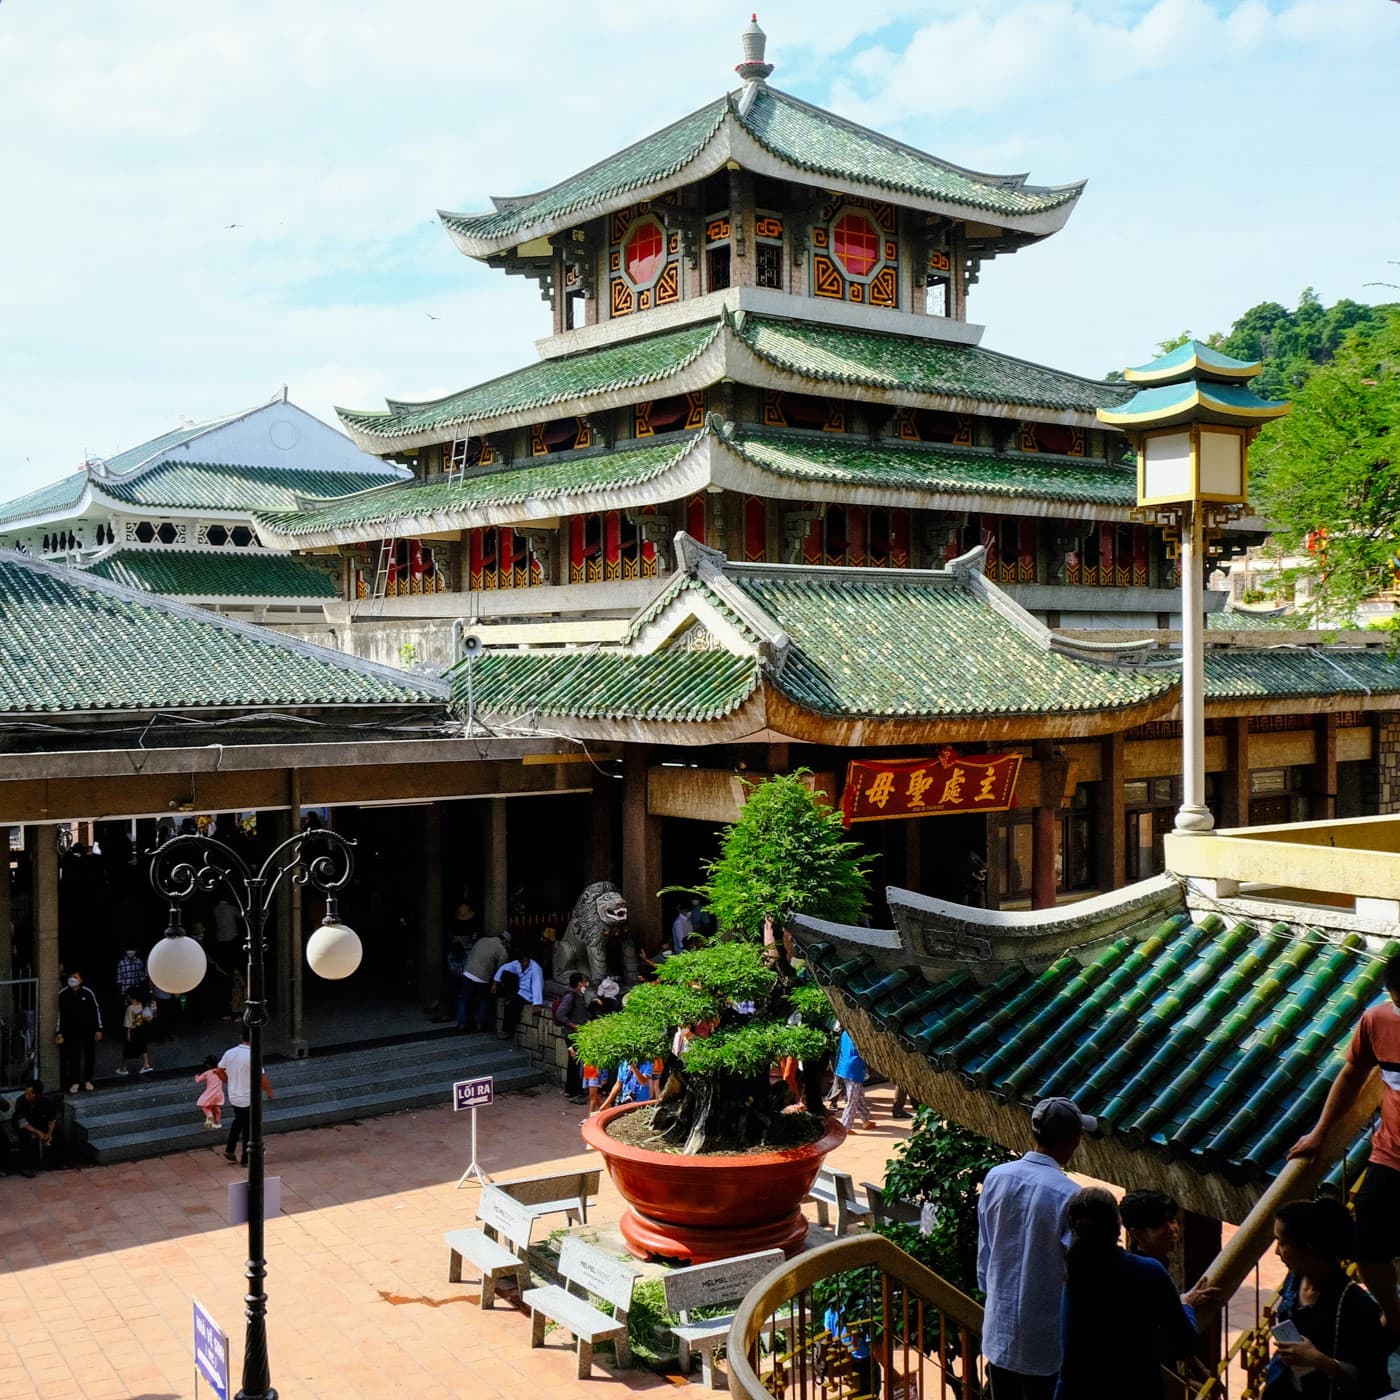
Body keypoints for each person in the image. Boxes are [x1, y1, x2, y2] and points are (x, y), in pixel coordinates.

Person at [1288, 949, 1400, 1333]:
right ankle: (1394, 1315)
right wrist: (1320, 1133)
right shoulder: (1378, 1019)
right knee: (1368, 1246)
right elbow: (1353, 1074)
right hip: (1390, 1154)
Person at [977, 1096, 1095, 1399]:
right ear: (1073, 1140)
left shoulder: (996, 1177)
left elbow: (985, 1249)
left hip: (998, 1329)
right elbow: (1081, 1272)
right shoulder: (1068, 1195)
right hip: (1044, 1339)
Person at [1055, 1187, 1200, 1399]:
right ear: (1119, 1226)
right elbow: (1185, 1342)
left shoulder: (1075, 1273)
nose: (1172, 1229)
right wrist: (1186, 1307)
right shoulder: (1146, 1271)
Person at [1263, 1198, 1391, 1399]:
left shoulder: (1357, 1306)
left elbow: (1372, 1381)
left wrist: (1320, 1361)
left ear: (1309, 1248)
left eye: (1283, 1242)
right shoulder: (1294, 1280)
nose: (1277, 1251)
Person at [1120, 1189, 1220, 1313]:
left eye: (1172, 1220)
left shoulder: (1143, 1264)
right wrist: (1187, 1306)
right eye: (1159, 1224)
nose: (1171, 1229)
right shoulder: (1141, 1276)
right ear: (1137, 1234)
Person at [215, 1028, 275, 1167]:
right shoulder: (252, 1055)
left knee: (238, 1121)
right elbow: (262, 1077)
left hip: (234, 1095)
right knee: (249, 1127)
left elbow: (219, 1070)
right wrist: (269, 1091)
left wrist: (229, 1081)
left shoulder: (230, 1052)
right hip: (248, 1097)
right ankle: (246, 1158)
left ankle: (230, 1149)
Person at [56, 970, 103, 1093]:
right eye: (71, 977)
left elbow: (96, 1011)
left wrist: (98, 1029)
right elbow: (60, 1014)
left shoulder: (88, 993)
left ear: (81, 980)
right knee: (74, 1057)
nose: (73, 979)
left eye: (75, 977)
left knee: (89, 1055)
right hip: (71, 1031)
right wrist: (59, 1032)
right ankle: (75, 1082)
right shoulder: (63, 994)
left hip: (88, 1030)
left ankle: (88, 1080)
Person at [461, 929, 509, 1033]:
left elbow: (471, 954)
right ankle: (481, 1026)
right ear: (505, 942)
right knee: (483, 1001)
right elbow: (500, 970)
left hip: (467, 972)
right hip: (482, 978)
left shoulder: (481, 940)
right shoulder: (502, 950)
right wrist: (495, 983)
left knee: (466, 1001)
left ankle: (464, 1024)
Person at [554, 972, 590, 1103]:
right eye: (585, 981)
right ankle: (578, 1093)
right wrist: (573, 1026)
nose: (586, 984)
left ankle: (571, 1090)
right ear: (579, 983)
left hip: (575, 1034)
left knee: (574, 1062)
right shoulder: (570, 996)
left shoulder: (578, 996)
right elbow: (560, 1014)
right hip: (572, 1035)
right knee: (577, 1062)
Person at [492, 949, 542, 1039]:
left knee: (511, 1005)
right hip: (518, 990)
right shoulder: (516, 964)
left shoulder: (535, 969)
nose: (525, 963)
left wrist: (537, 1003)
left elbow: (537, 986)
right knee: (506, 976)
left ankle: (507, 1031)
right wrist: (495, 982)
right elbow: (503, 968)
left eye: (527, 961)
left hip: (528, 994)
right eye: (523, 961)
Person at [833, 1028, 875, 1132]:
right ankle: (845, 1127)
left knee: (859, 1096)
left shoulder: (845, 1033)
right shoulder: (859, 1036)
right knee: (852, 1100)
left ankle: (866, 1120)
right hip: (853, 1070)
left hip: (844, 1067)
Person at [13, 1081, 55, 1173]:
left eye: (30, 1094)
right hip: (24, 1125)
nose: (27, 1096)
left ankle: (56, 1162)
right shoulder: (21, 1101)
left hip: (38, 1122)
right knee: (24, 1136)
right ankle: (26, 1166)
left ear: (38, 1095)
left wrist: (49, 1133)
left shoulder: (46, 1101)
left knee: (58, 1132)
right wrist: (38, 1132)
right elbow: (23, 1123)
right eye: (26, 1093)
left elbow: (52, 1120)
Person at [115, 989, 153, 1076]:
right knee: (143, 1046)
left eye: (129, 995)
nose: (127, 997)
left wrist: (128, 1034)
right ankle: (146, 1064)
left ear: (132, 998)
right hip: (141, 1029)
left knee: (128, 1049)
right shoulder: (141, 1005)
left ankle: (123, 1067)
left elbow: (128, 1022)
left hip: (133, 1030)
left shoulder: (130, 1008)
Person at [195, 1055, 225, 1129]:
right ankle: (217, 1123)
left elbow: (198, 1080)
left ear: (208, 1065)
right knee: (216, 1108)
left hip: (210, 1093)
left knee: (204, 1105)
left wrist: (196, 1076)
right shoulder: (220, 1071)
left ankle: (209, 1116)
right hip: (219, 1094)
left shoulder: (207, 1073)